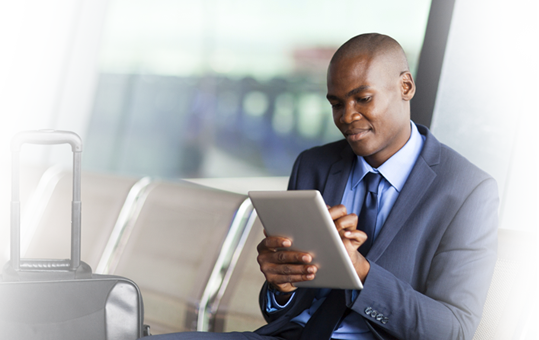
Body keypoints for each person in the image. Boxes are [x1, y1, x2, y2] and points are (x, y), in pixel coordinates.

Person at [141, 33, 499, 340]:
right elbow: (281, 312)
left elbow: (454, 330)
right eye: (336, 103)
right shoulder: (314, 165)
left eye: (363, 98)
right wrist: (282, 286)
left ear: (405, 86)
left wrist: (361, 272)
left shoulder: (468, 191)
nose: (347, 116)